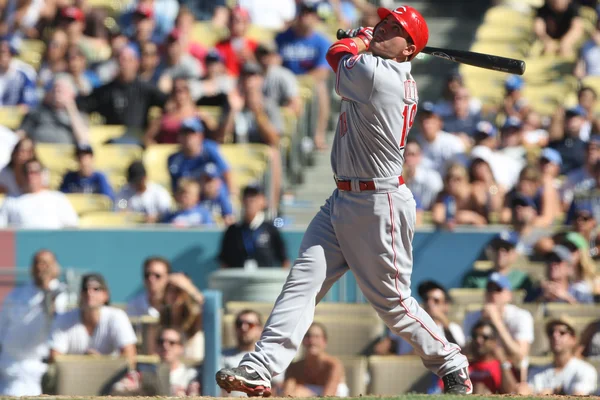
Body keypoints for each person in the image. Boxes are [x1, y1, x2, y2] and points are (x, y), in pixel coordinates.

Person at [216, 6, 472, 396]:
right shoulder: (380, 67)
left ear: (408, 51)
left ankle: (451, 362)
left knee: (392, 301)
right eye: (385, 22)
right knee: (302, 282)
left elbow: (335, 55)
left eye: (396, 29)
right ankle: (260, 367)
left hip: (379, 202)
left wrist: (358, 39)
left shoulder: (379, 75)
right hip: (343, 197)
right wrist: (365, 42)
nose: (385, 28)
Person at [0, 250, 68, 396]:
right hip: (9, 367)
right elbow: (2, 327)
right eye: (37, 262)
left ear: (55, 267)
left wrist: (47, 290)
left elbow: (57, 320)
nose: (40, 267)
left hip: (40, 370)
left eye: (45, 263)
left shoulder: (62, 293)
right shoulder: (16, 294)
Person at [76, 44, 168, 142]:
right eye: (121, 60)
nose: (124, 64)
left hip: (136, 141)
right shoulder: (107, 90)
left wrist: (153, 127)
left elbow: (169, 103)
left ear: (136, 63)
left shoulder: (146, 89)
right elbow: (84, 104)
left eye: (129, 60)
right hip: (111, 142)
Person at [275, 1, 331, 151]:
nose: (304, 18)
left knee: (321, 88)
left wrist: (300, 81)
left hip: (307, 82)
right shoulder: (282, 38)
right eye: (302, 13)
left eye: (308, 14)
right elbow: (273, 62)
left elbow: (322, 72)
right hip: (284, 82)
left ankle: (318, 135)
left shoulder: (321, 41)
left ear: (315, 17)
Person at [49, 273, 137, 366]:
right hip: (73, 378)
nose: (89, 293)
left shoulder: (117, 317)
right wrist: (83, 364)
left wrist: (100, 364)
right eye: (85, 289)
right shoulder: (64, 318)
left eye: (96, 289)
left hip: (111, 378)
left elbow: (130, 357)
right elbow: (54, 359)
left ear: (105, 295)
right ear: (80, 295)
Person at [373, 280, 465, 355]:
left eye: (436, 301)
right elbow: (381, 349)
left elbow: (461, 354)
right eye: (426, 299)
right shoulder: (406, 325)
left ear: (446, 306)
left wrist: (444, 322)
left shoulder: (453, 328)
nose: (429, 303)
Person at [463, 273, 534, 366]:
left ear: (509, 295)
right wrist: (481, 323)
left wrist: (497, 322)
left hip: (511, 369)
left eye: (498, 290)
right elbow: (465, 354)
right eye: (490, 289)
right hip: (482, 368)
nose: (493, 294)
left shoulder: (521, 316)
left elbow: (520, 355)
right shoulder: (472, 317)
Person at [516, 317, 597, 395]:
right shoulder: (536, 372)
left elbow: (579, 396)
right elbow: (524, 392)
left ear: (573, 339)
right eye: (551, 332)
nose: (555, 335)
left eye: (562, 332)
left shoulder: (586, 370)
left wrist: (548, 393)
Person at [111, 327, 201, 396]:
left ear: (181, 348)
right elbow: (118, 389)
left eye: (172, 342)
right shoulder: (145, 372)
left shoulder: (190, 374)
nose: (165, 346)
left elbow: (194, 395)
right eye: (161, 342)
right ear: (156, 346)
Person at [218, 185, 289, 268]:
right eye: (247, 197)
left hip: (264, 279)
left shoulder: (270, 229)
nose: (250, 200)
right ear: (242, 201)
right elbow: (224, 262)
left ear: (263, 201)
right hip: (239, 279)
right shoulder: (233, 230)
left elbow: (284, 260)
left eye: (254, 197)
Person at [0, 159, 79, 229]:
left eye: (35, 172)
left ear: (42, 174)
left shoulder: (58, 198)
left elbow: (71, 226)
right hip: (23, 243)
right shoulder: (11, 201)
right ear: (22, 175)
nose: (30, 176)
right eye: (27, 172)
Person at [167, 117, 232, 194]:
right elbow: (176, 188)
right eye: (184, 133)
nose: (188, 137)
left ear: (200, 136)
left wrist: (232, 194)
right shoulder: (174, 160)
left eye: (191, 133)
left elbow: (226, 171)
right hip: (191, 199)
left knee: (218, 187)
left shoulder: (209, 149)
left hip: (214, 194)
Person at [282, 323, 349, 397]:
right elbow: (287, 394)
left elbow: (329, 394)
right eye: (308, 336)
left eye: (316, 337)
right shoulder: (294, 367)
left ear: (324, 341)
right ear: (302, 340)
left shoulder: (333, 365)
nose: (312, 341)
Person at [463, 231, 534, 293]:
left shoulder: (523, 279)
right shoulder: (474, 278)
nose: (501, 252)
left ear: (514, 253)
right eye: (497, 247)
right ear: (490, 251)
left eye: (506, 248)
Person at [526, 245, 594, 303]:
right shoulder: (535, 293)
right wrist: (541, 299)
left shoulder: (580, 296)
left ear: (569, 267)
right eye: (550, 260)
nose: (553, 264)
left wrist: (567, 298)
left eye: (558, 260)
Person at [160, 273, 205, 361]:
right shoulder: (163, 317)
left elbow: (206, 306)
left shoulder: (195, 317)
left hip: (193, 367)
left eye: (179, 290)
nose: (174, 294)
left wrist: (186, 285)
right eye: (170, 289)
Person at [464, 321, 517, 394]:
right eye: (475, 336)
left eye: (485, 337)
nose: (478, 340)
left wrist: (503, 361)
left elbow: (511, 392)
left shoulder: (503, 365)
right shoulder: (465, 365)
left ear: (494, 341)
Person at [416, 102, 466, 175]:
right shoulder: (414, 143)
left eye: (429, 119)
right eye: (422, 119)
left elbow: (462, 169)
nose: (425, 123)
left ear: (440, 122)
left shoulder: (452, 142)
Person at [215, 6, 258, 78]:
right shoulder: (220, 46)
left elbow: (261, 72)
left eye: (243, 21)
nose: (236, 24)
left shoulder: (254, 46)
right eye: (233, 20)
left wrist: (252, 59)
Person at [402, 139, 443, 210]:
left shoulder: (433, 179)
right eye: (404, 154)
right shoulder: (398, 178)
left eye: (412, 154)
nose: (407, 158)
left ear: (420, 156)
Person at [0, 35, 37, 109]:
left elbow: (29, 103)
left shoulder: (25, 72)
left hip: (16, 117)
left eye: (2, 52)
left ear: (12, 54)